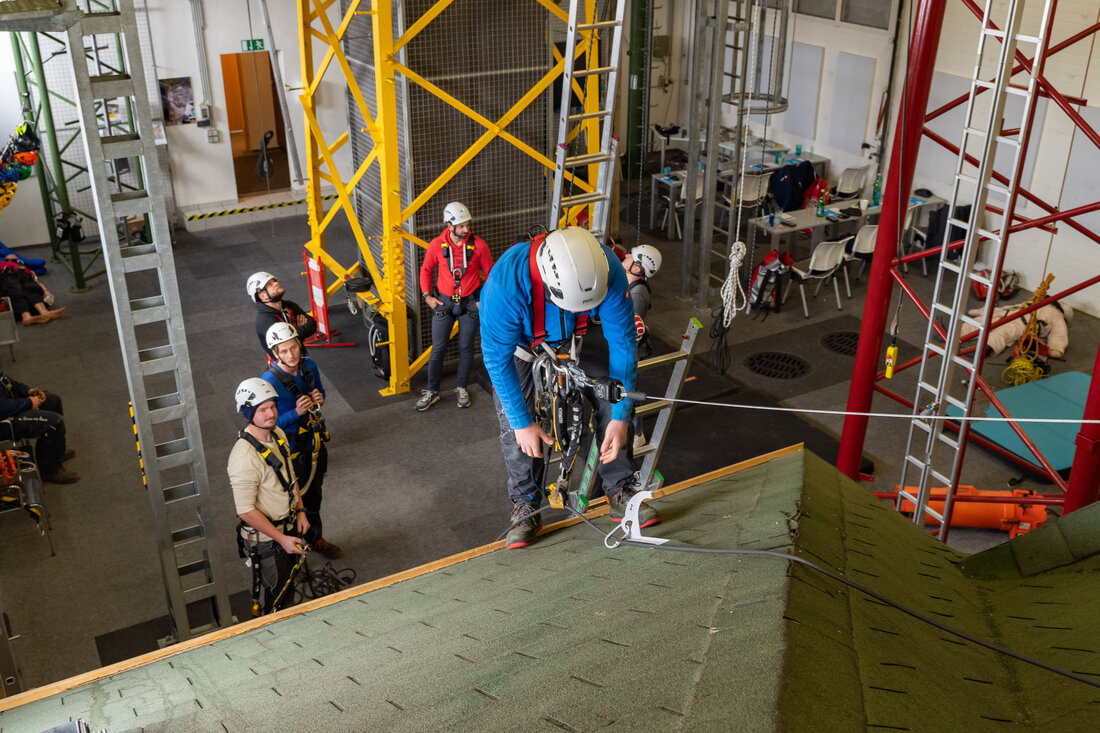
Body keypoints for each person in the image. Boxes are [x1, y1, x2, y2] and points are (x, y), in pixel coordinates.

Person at [480, 226, 660, 550]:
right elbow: (497, 360)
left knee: (612, 393)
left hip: (576, 337)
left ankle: (619, 488)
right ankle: (526, 505)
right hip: (523, 346)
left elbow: (623, 344)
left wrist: (620, 417)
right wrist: (522, 423)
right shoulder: (505, 285)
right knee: (514, 424)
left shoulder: (608, 270)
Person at [228, 377, 309, 615]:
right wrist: (281, 538)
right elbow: (245, 510)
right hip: (267, 540)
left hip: (287, 526)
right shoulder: (243, 457)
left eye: (272, 407)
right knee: (278, 596)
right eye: (262, 410)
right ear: (248, 412)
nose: (271, 414)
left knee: (289, 587)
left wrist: (301, 510)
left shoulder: (278, 434)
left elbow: (290, 476)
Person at [262, 323, 342, 560]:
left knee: (314, 494)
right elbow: (267, 425)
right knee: (290, 502)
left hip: (313, 443)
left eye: (294, 348)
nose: (291, 355)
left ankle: (315, 538)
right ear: (275, 354)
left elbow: (320, 394)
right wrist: (295, 413)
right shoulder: (269, 381)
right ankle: (290, 549)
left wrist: (319, 399)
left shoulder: (309, 366)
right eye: (284, 351)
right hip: (289, 449)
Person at [416, 202, 495, 411]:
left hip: (470, 303)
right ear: (448, 225)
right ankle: (432, 391)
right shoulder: (436, 245)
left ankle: (461, 387)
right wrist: (427, 297)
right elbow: (425, 270)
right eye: (461, 226)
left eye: (467, 225)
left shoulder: (479, 246)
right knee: (438, 349)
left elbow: (492, 275)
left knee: (466, 347)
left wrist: (483, 301)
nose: (466, 230)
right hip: (443, 301)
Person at [0, 371, 78, 483]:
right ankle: (49, 470)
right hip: (3, 421)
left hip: (8, 405)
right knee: (53, 422)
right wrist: (28, 402)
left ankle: (55, 453)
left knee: (53, 401)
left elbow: (5, 380)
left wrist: (27, 391)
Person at [622, 244, 662, 449]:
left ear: (637, 268)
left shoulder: (637, 295)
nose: (626, 256)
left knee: (630, 390)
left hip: (629, 352)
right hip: (624, 348)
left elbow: (633, 331)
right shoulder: (630, 286)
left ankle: (637, 433)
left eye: (631, 256)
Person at [963, 300, 1072, 359]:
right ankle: (981, 346)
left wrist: (1056, 348)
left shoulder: (1056, 315)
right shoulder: (1035, 301)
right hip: (1014, 317)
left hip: (1018, 320)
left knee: (999, 330)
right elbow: (1059, 333)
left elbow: (1059, 333)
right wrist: (1056, 348)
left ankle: (981, 347)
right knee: (1002, 332)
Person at [247, 271, 317, 356]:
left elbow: (313, 325)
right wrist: (298, 331)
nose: (276, 283)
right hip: (285, 365)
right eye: (269, 284)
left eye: (274, 281)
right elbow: (286, 345)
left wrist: (293, 333)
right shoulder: (265, 320)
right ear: (263, 296)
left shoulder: (289, 305)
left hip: (300, 356)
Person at [0, 256, 65, 325]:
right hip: (7, 277)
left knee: (31, 288)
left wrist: (46, 291)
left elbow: (36, 281)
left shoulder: (24, 268)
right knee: (15, 290)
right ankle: (26, 317)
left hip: (24, 278)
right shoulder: (2, 264)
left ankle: (44, 312)